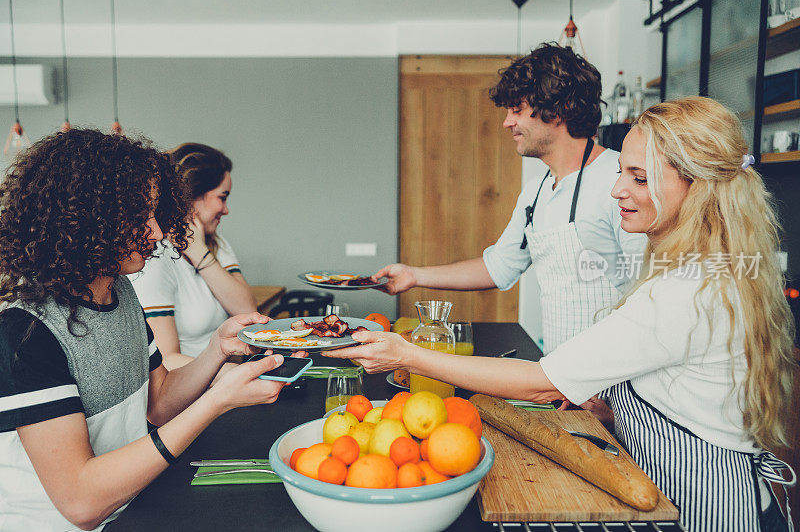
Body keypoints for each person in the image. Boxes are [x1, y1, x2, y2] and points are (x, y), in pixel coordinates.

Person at [328, 97, 796, 531]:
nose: (618, 190)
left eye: (639, 177)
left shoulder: (685, 290)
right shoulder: (709, 268)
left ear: (696, 186)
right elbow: (686, 388)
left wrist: (406, 354)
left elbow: (544, 380)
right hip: (630, 434)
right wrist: (621, 410)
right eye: (622, 173)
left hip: (706, 504)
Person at [0, 129, 301, 531]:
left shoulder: (118, 289)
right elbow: (81, 502)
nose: (158, 232)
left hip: (130, 506)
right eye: (140, 216)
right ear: (90, 219)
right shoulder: (26, 331)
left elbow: (157, 401)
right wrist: (216, 402)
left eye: (157, 214)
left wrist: (217, 351)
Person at [374, 43, 646, 357]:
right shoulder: (536, 191)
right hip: (561, 379)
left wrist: (599, 378)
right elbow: (500, 266)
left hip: (610, 384)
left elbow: (644, 296)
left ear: (558, 109)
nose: (506, 122)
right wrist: (414, 275)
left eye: (516, 110)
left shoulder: (621, 181)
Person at [130, 142, 257, 369]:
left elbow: (247, 311)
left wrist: (199, 253)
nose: (226, 209)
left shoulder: (217, 243)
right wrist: (242, 373)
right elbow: (167, 361)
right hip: (195, 392)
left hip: (227, 380)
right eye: (222, 197)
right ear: (192, 197)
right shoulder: (155, 258)